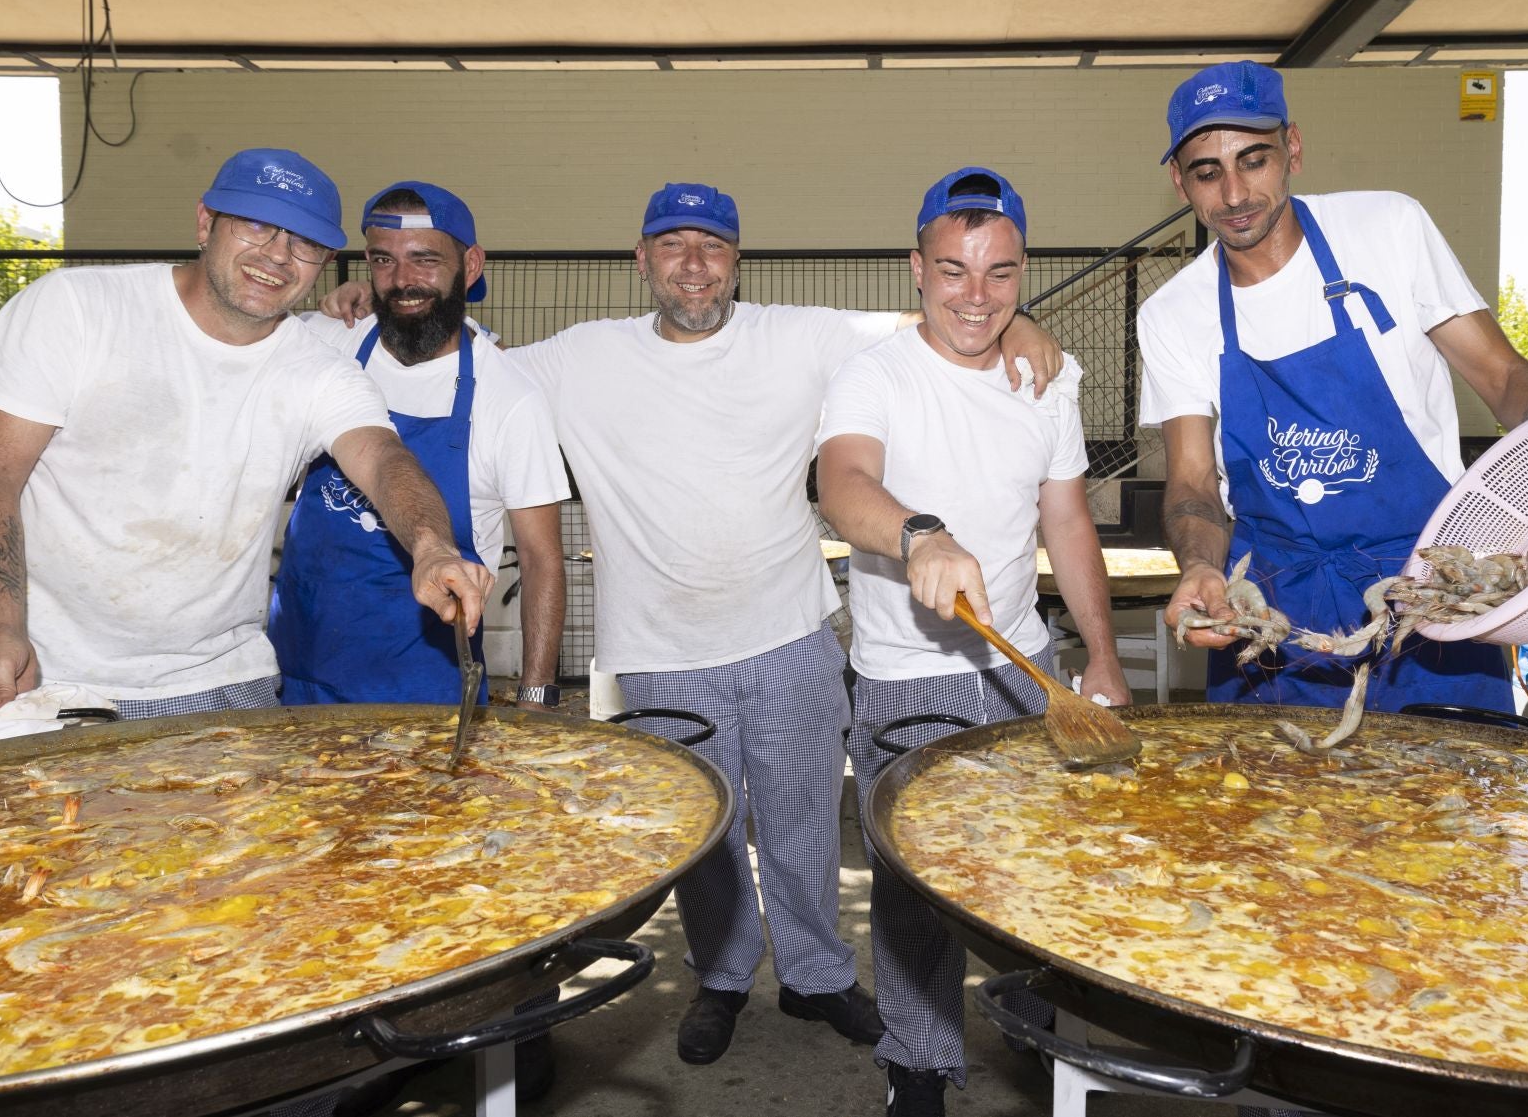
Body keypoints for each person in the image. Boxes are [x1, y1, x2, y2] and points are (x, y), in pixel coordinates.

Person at [319, 181, 1061, 1068]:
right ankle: (720, 974)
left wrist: (1023, 326)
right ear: (641, 260)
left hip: (789, 632)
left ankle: (819, 973)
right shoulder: (578, 357)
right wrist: (363, 306)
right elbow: (458, 354)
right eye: (672, 245)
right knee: (702, 841)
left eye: (713, 245)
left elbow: (940, 325)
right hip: (658, 648)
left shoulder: (803, 337)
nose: (694, 263)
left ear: (737, 260)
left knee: (802, 825)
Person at [0, 148, 491, 724]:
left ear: (325, 260)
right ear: (205, 222)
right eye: (256, 225)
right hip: (46, 677)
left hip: (223, 681)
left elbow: (382, 459)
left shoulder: (319, 370)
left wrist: (433, 546)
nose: (277, 256)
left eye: (304, 243)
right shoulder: (77, 309)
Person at [815, 167, 1130, 1117]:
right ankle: (917, 1063)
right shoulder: (874, 374)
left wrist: (1104, 657)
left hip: (1025, 661)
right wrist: (919, 533)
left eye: (1000, 275)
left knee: (1046, 854)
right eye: (953, 271)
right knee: (916, 884)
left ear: (1023, 273)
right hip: (907, 678)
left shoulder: (1047, 374)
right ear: (917, 269)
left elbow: (1067, 523)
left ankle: (1040, 1015)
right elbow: (842, 481)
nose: (976, 296)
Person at [1137, 60, 1528, 713]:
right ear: (1181, 182)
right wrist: (1200, 566)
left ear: (1293, 148)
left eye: (1253, 159)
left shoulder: (1387, 230)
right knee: (1266, 807)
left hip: (1429, 591)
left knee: (1445, 805)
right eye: (1208, 172)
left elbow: (1503, 376)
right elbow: (1195, 484)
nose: (1234, 193)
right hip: (1273, 619)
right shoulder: (1173, 314)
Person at [271, 179, 569, 712]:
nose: (403, 280)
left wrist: (537, 698)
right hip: (296, 671)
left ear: (470, 265)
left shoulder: (510, 399)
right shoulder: (328, 342)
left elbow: (541, 558)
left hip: (428, 691)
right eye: (384, 261)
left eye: (425, 259)